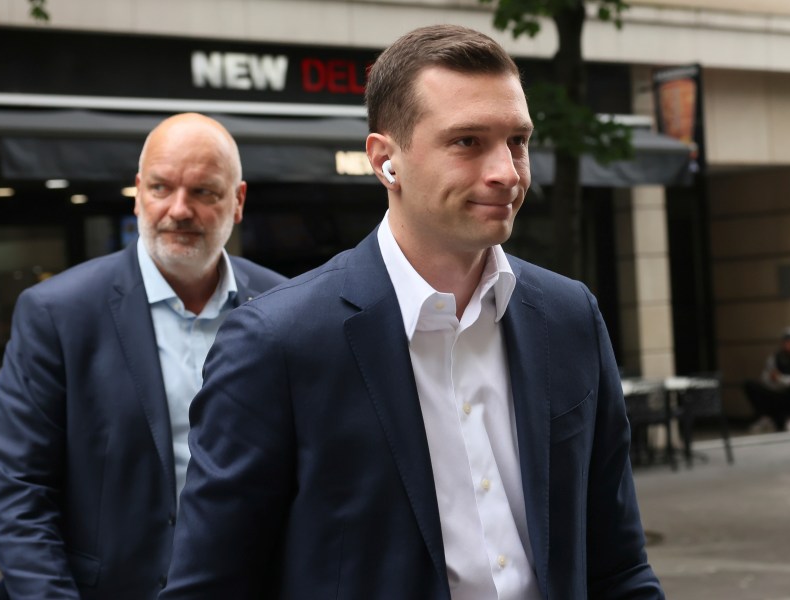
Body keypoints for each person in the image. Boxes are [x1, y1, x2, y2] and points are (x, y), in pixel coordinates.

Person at [161, 25, 663, 599]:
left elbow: (619, 566)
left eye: (517, 141)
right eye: (467, 141)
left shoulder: (570, 317)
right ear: (385, 161)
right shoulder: (278, 343)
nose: (506, 172)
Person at [0, 113, 287, 599]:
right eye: (162, 188)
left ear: (238, 201)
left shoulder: (287, 307)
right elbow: (19, 488)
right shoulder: (58, 314)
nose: (179, 210)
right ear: (139, 191)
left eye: (204, 192)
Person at [745, 326, 790, 433]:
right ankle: (766, 419)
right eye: (785, 342)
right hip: (777, 394)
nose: (787, 345)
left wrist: (781, 379)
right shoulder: (776, 357)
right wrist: (775, 380)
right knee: (750, 385)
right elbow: (765, 378)